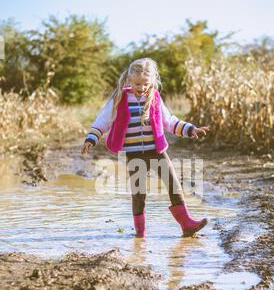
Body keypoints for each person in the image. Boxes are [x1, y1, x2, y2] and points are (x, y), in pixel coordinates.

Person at [81, 58, 210, 237]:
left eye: (145, 84)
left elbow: (170, 121)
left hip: (157, 152)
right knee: (139, 193)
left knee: (174, 185)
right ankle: (140, 235)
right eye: (137, 84)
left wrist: (190, 129)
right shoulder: (120, 98)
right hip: (134, 155)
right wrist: (92, 138)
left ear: (152, 82)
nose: (141, 88)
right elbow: (103, 120)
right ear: (129, 80)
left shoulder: (155, 98)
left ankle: (186, 224)